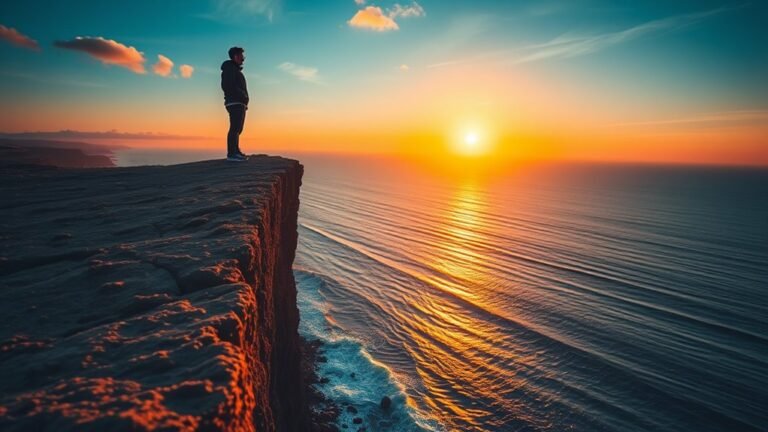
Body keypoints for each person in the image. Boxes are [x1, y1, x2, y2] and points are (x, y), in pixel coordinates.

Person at [221, 46, 249, 162]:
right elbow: (227, 86)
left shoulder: (233, 69)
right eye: (242, 56)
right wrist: (242, 95)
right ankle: (232, 154)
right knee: (235, 128)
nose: (243, 59)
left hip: (238, 102)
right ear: (236, 56)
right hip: (235, 102)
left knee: (237, 128)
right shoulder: (230, 69)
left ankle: (235, 151)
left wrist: (243, 99)